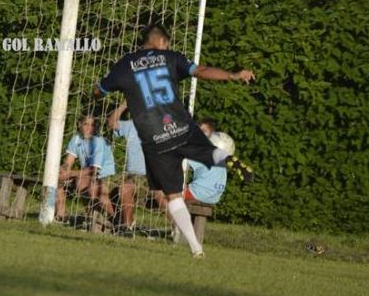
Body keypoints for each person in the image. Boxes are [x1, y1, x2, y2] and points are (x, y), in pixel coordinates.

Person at [94, 23, 254, 258]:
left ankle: (195, 248)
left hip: (154, 139)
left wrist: (99, 91)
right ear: (161, 42)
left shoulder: (124, 65)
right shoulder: (169, 57)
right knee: (207, 151)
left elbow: (100, 90)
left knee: (173, 196)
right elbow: (201, 71)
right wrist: (232, 75)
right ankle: (226, 159)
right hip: (180, 127)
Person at [107, 101, 167, 231]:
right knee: (122, 188)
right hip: (132, 175)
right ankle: (127, 227)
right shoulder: (131, 126)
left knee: (161, 195)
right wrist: (124, 105)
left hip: (152, 176)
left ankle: (179, 229)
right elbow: (111, 123)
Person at [55, 115, 117, 222]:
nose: (89, 128)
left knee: (83, 183)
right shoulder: (76, 139)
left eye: (92, 125)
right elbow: (68, 162)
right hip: (88, 175)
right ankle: (61, 215)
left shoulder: (98, 142)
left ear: (96, 127)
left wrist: (71, 173)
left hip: (105, 176)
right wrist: (62, 170)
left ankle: (115, 219)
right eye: (86, 124)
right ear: (80, 125)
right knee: (56, 178)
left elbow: (94, 170)